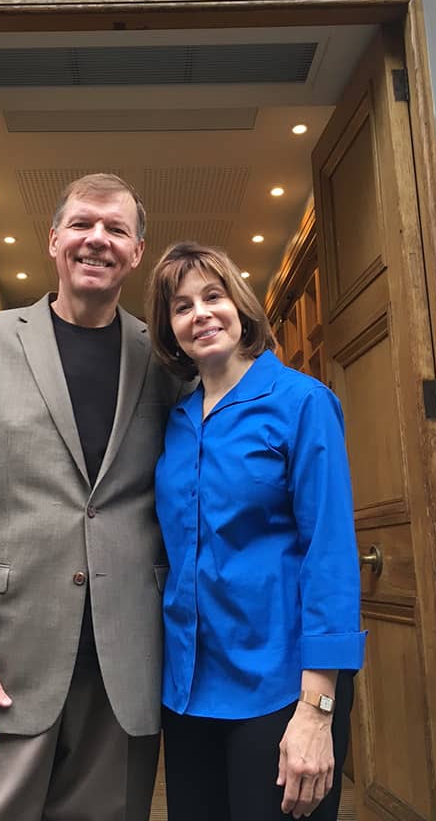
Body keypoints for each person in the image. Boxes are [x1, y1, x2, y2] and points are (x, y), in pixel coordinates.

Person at [0, 174, 182, 821]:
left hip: (127, 661)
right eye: (84, 223)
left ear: (138, 251)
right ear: (54, 238)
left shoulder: (165, 359)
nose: (98, 239)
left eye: (117, 229)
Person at [145, 242, 366, 821]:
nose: (201, 314)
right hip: (188, 687)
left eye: (213, 296)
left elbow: (331, 556)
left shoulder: (302, 403)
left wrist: (317, 709)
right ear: (170, 329)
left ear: (240, 306)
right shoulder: (175, 420)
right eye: (182, 306)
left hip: (281, 690)